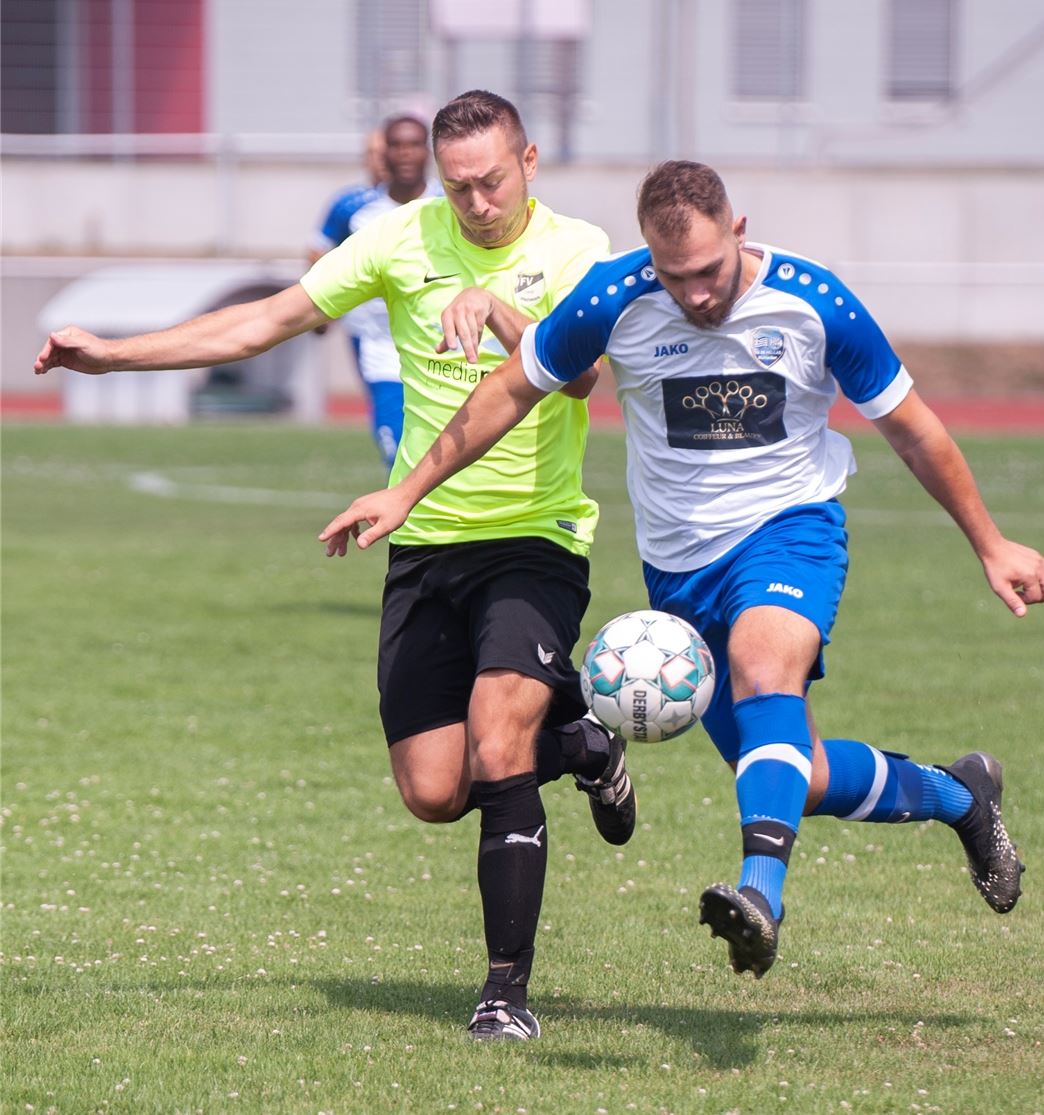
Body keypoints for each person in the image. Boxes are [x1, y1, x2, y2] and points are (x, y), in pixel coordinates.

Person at [318, 159, 1044, 982]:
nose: (697, 295)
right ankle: (960, 795)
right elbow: (506, 392)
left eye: (708, 272)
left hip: (790, 532)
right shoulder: (612, 297)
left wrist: (991, 542)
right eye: (675, 278)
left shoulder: (817, 303)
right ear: (648, 258)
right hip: (680, 570)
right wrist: (407, 489)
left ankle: (761, 899)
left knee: (763, 663)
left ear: (738, 231)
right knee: (791, 771)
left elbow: (914, 428)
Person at [34, 90, 635, 1042]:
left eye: (490, 181)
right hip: (424, 543)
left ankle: (504, 994)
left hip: (536, 539)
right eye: (457, 186)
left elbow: (585, 377)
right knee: (435, 790)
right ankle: (587, 747)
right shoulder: (401, 238)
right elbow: (265, 321)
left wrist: (504, 312)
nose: (475, 204)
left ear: (529, 162)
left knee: (498, 737)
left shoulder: (578, 249)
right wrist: (115, 356)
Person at [308, 115, 444, 466]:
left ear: (427, 151)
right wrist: (321, 310)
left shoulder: (449, 203)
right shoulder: (355, 208)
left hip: (441, 342)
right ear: (383, 152)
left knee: (444, 442)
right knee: (396, 445)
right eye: (396, 146)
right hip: (376, 341)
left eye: (414, 145)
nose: (405, 154)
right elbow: (320, 251)